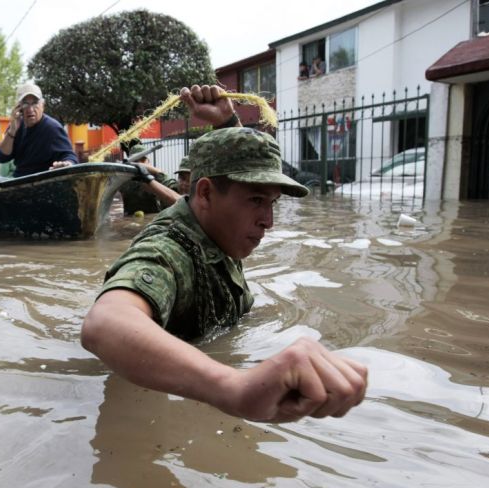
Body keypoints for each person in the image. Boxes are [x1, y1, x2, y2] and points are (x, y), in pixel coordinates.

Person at [81, 84, 367, 423]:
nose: (268, 222)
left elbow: (232, 182)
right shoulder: (168, 251)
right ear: (204, 193)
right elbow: (104, 324)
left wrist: (228, 121)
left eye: (272, 203)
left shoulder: (219, 229)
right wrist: (234, 386)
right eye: (257, 201)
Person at [0, 82, 78, 178]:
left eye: (35, 103)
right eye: (25, 104)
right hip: (18, 183)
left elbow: (70, 157)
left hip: (42, 184)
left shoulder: (52, 128)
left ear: (42, 105)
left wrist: (66, 164)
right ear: (18, 108)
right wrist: (12, 131)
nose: (30, 109)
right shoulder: (16, 126)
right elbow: (2, 157)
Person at [120, 143, 180, 215]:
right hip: (130, 220)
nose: (140, 164)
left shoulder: (155, 177)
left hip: (154, 219)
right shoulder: (124, 179)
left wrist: (156, 172)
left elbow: (174, 190)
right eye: (136, 161)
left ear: (148, 161)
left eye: (143, 160)